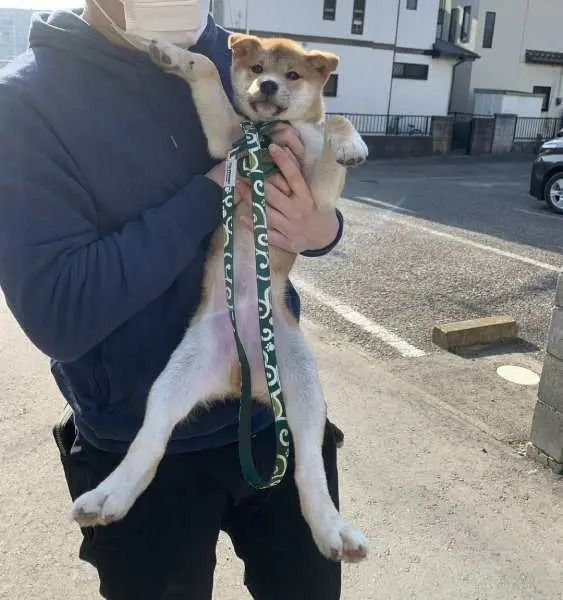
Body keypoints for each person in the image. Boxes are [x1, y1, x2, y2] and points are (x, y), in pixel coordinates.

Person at [0, 1, 346, 598]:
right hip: (138, 435)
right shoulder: (28, 101)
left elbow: (314, 192)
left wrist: (323, 230)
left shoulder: (245, 58)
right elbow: (60, 310)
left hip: (272, 422)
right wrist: (212, 191)